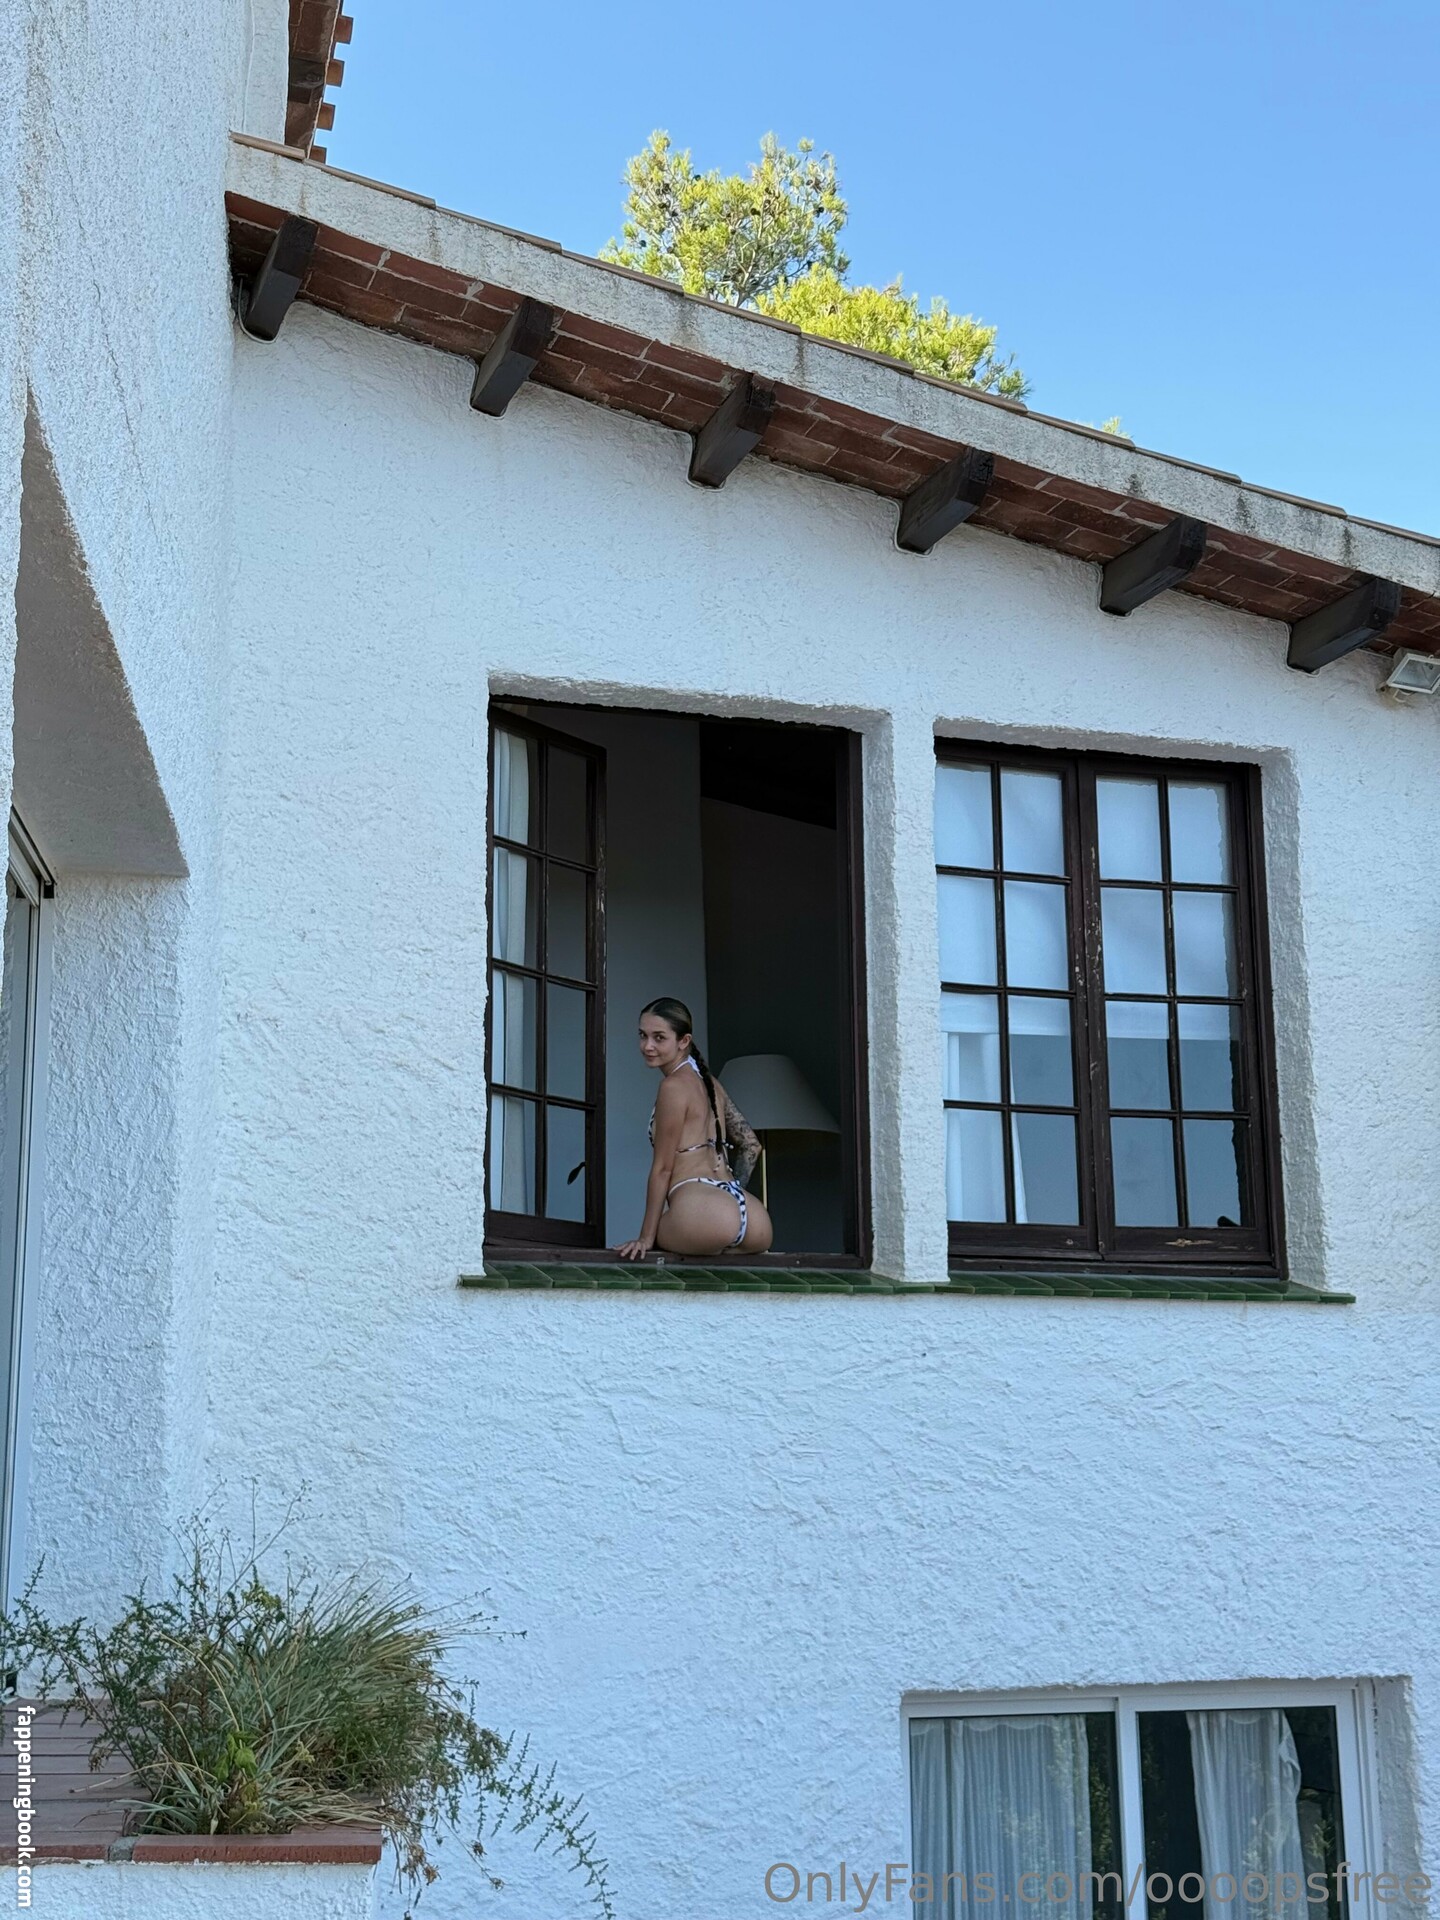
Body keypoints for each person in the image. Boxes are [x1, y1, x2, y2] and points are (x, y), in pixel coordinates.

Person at [614, 998, 773, 1261]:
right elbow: (751, 1145)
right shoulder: (711, 1084)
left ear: (684, 1041)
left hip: (706, 1214)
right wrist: (729, 1202)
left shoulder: (673, 1086)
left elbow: (663, 1169)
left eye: (659, 1037)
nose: (647, 1046)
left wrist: (645, 1238)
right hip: (753, 1219)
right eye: (643, 1035)